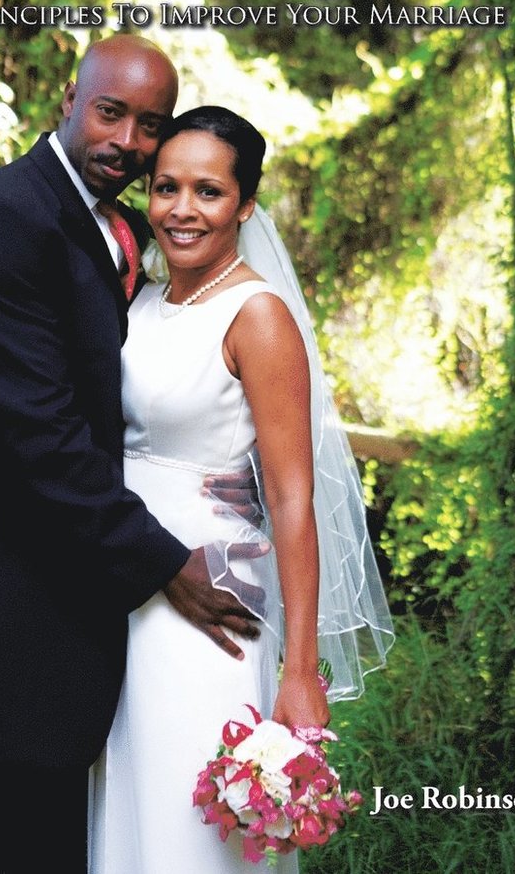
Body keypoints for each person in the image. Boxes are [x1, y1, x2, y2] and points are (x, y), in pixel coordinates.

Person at [0, 38, 263, 874]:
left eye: (151, 125)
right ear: (70, 101)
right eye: (111, 113)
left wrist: (219, 467)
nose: (128, 142)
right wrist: (166, 562)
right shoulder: (3, 218)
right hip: (6, 603)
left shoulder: (126, 229)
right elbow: (37, 435)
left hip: (81, 605)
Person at [88, 106, 394, 873]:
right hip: (127, 582)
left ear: (246, 205)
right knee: (129, 808)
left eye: (209, 191)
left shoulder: (256, 317)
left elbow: (291, 497)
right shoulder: (144, 299)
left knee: (190, 827)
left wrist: (300, 671)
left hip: (209, 600)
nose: (181, 209)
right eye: (166, 187)